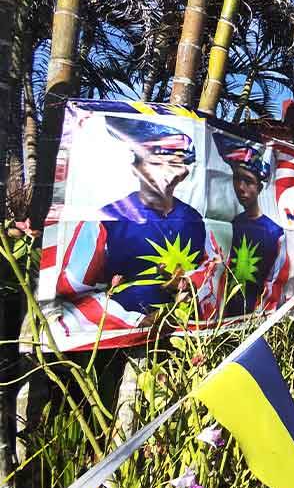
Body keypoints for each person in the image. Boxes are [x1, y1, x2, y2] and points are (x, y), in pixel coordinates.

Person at [57, 116, 219, 338]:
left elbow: (210, 271)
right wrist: (135, 319)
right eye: (154, 163)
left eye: (174, 163)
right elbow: (73, 289)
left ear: (184, 173)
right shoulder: (106, 218)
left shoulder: (195, 219)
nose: (164, 173)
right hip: (125, 332)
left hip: (187, 333)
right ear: (135, 167)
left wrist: (186, 288)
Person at [212, 134, 288, 317]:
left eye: (249, 182)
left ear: (260, 188)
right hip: (221, 318)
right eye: (237, 179)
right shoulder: (231, 223)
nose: (241, 187)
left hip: (253, 319)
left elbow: (275, 281)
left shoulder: (275, 233)